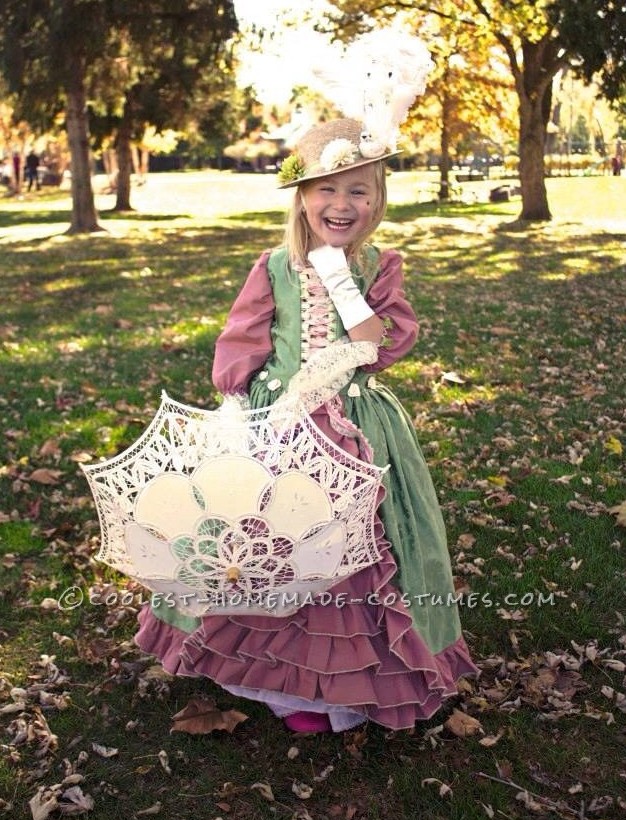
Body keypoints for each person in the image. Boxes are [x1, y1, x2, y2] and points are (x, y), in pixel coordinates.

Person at [134, 109, 477, 733]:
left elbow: (386, 339)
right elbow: (242, 338)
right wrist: (242, 404)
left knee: (356, 551)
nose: (341, 203)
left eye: (358, 190)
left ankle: (342, 690)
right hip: (280, 423)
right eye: (327, 189)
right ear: (302, 196)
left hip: (355, 422)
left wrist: (346, 286)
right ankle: (280, 683)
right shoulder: (273, 266)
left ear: (376, 201)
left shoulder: (380, 265)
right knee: (281, 543)